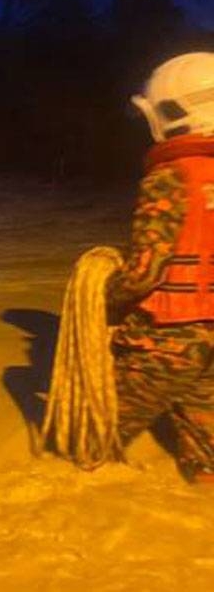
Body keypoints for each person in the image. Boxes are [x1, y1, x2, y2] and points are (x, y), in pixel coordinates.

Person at [106, 51, 214, 483]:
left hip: (166, 341)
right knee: (206, 453)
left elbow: (143, 272)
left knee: (92, 435)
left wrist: (103, 300)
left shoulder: (169, 177)